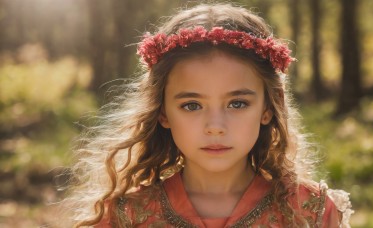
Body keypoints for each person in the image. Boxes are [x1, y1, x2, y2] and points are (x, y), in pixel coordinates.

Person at [63, 3, 353, 227]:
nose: (215, 127)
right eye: (192, 105)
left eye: (237, 104)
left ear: (268, 107)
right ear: (162, 112)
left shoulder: (311, 212)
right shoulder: (125, 215)